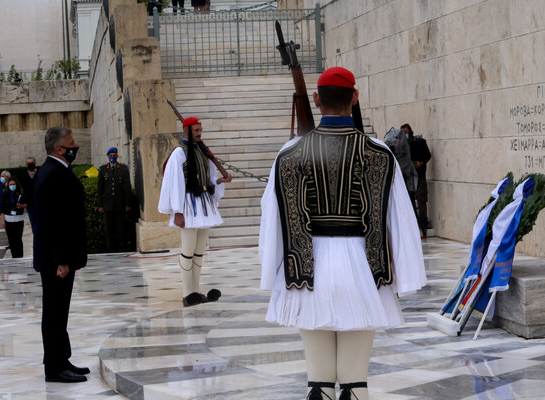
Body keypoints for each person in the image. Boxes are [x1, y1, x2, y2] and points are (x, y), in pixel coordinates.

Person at [259, 67, 426, 400]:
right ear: (355, 97)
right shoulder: (380, 153)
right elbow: (400, 220)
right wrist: (403, 277)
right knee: (355, 384)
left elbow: (272, 220)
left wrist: (272, 273)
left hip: (306, 272)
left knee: (319, 384)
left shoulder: (288, 154)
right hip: (364, 271)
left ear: (317, 99)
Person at [33, 126, 89, 383]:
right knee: (54, 313)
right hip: (57, 261)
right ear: (59, 148)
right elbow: (52, 224)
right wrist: (61, 261)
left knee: (59, 312)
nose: (74, 145)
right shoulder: (52, 174)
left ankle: (61, 359)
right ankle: (54, 368)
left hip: (60, 259)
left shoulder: (56, 171)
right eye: (71, 142)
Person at [158, 117, 233, 307]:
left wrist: (220, 181)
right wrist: (177, 211)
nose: (199, 134)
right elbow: (174, 183)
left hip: (204, 206)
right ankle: (187, 293)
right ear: (186, 131)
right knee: (188, 250)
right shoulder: (179, 153)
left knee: (199, 252)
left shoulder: (202, 151)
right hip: (188, 206)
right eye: (196, 131)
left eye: (201, 130)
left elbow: (208, 180)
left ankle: (196, 291)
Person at [98, 147, 132, 252]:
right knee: (109, 231)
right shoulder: (103, 169)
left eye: (114, 155)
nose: (112, 157)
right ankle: (111, 251)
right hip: (107, 205)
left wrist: (127, 204)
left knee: (120, 229)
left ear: (117, 156)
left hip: (120, 205)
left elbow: (127, 188)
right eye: (111, 155)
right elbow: (100, 189)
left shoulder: (123, 169)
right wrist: (100, 205)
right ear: (108, 156)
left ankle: (121, 250)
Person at [401, 123, 432, 238]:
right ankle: (414, 225)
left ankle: (423, 225)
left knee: (421, 200)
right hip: (408, 176)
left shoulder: (419, 142)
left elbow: (427, 155)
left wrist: (421, 163)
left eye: (406, 132)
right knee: (410, 201)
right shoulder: (401, 146)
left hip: (419, 176)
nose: (405, 135)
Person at [0, 177, 27, 258]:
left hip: (19, 220)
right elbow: (2, 209)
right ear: (8, 185)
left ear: (16, 184)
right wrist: (2, 221)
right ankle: (14, 257)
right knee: (12, 241)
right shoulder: (5, 194)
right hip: (8, 220)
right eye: (11, 184)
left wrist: (21, 205)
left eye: (14, 184)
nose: (12, 186)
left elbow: (27, 204)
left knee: (18, 240)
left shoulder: (21, 193)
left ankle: (20, 257)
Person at [19, 157, 38, 233]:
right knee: (33, 223)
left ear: (35, 163)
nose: (30, 164)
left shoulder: (40, 173)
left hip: (40, 203)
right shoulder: (23, 176)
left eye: (32, 162)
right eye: (29, 163)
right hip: (30, 205)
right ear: (26, 164)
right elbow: (21, 191)